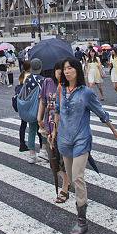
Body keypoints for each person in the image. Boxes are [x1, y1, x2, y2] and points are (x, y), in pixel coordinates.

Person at [54, 57, 117, 234]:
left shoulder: (86, 92)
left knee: (77, 177)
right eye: (65, 68)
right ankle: (80, 210)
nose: (67, 71)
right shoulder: (61, 90)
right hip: (64, 140)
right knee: (70, 176)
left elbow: (100, 111)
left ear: (77, 70)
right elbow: (58, 112)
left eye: (70, 68)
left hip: (81, 139)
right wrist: (53, 132)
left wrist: (113, 130)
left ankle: (81, 220)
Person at [39, 60, 70, 203]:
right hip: (49, 125)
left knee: (64, 159)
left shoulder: (69, 86)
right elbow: (43, 101)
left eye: (64, 69)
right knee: (53, 160)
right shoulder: (47, 82)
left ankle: (65, 186)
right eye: (59, 69)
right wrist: (39, 117)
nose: (61, 72)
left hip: (65, 128)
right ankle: (67, 179)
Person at [17, 58, 44, 163]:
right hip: (40, 109)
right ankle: (44, 151)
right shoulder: (43, 80)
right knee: (43, 130)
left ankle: (32, 155)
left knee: (32, 131)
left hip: (31, 109)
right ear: (41, 67)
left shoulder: (27, 79)